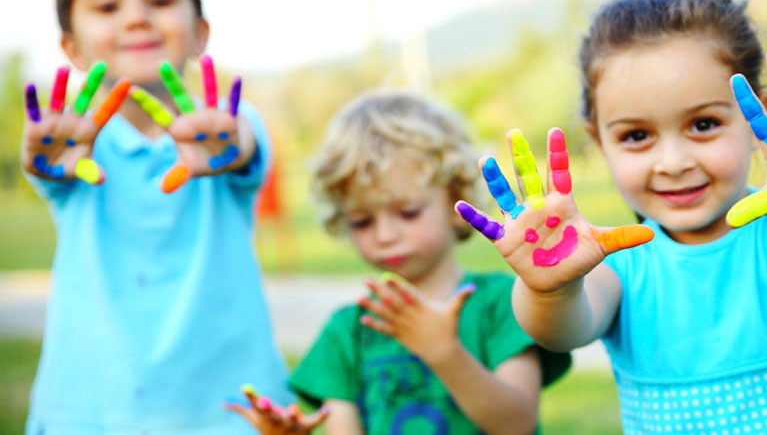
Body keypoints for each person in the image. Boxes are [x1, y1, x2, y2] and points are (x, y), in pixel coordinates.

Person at [457, 0, 767, 434]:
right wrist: (548, 289)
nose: (672, 163)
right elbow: (562, 329)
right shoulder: (619, 270)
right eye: (635, 136)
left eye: (703, 124)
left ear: (755, 117)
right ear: (599, 142)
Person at [20, 0, 289, 432]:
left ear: (200, 32)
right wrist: (42, 159)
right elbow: (44, 163)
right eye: (107, 5)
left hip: (229, 412)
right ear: (72, 48)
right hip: (91, 412)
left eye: (161, 0)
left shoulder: (230, 125)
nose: (137, 17)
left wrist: (233, 146)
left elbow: (243, 147)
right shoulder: (73, 145)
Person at [227, 90, 571, 434]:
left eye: (408, 212)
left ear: (457, 198)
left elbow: (518, 424)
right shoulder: (346, 333)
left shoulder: (504, 303)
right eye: (362, 221)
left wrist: (445, 353)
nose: (385, 235)